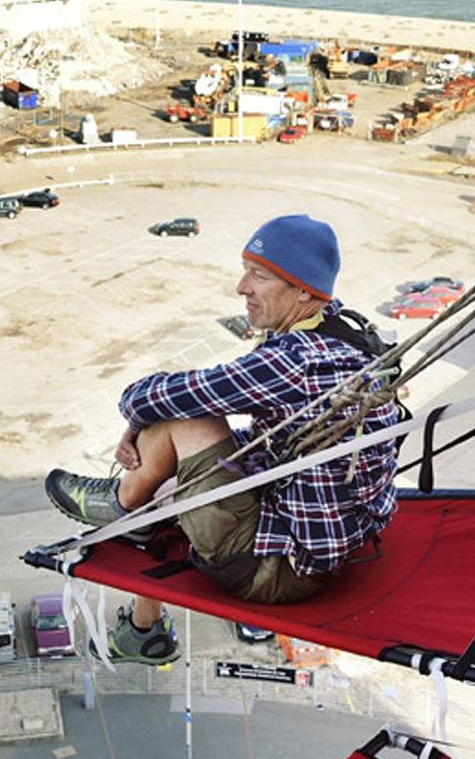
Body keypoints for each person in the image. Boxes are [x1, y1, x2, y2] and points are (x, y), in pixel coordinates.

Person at [45, 214, 400, 664]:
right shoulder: (344, 330)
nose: (241, 288)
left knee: (186, 425)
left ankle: (121, 503)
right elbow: (268, 439)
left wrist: (138, 424)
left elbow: (162, 396)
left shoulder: (294, 361)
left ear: (303, 292)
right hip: (329, 539)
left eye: (259, 275)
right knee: (174, 477)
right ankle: (143, 630)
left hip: (281, 571)